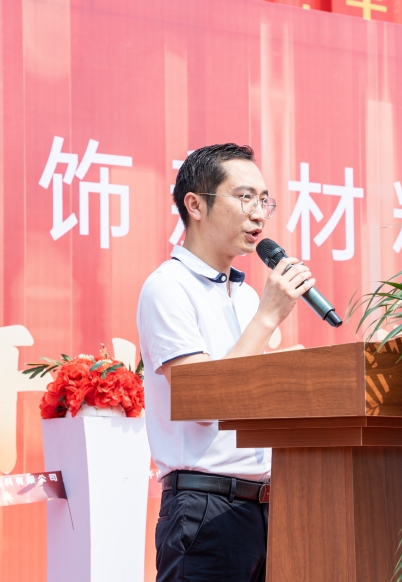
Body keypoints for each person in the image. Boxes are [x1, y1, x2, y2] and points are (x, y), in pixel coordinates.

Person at [136, 143, 314, 581]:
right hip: (205, 510)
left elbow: (253, 393)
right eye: (244, 197)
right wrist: (268, 316)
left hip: (269, 506)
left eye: (264, 200)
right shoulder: (168, 287)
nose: (259, 214)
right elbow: (204, 401)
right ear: (195, 205)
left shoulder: (246, 295)